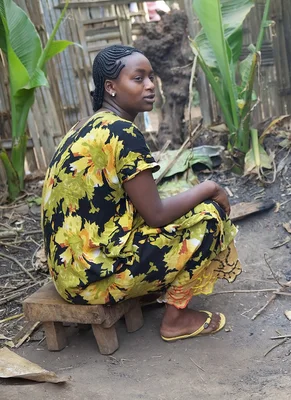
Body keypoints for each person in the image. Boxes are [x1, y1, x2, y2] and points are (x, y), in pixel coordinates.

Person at [41, 44, 241, 341]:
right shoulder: (123, 133)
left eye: (151, 77)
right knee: (209, 218)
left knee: (187, 210)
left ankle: (150, 290)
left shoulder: (84, 127)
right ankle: (175, 319)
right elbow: (156, 214)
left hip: (69, 273)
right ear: (110, 87)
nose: (150, 86)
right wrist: (209, 188)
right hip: (94, 279)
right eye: (138, 79)